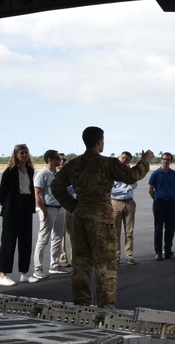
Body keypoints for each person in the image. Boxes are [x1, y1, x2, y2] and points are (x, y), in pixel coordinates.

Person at [51, 126, 153, 307]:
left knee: (81, 263)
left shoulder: (75, 164)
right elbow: (131, 176)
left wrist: (74, 206)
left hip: (80, 217)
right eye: (103, 140)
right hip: (102, 219)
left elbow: (56, 186)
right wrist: (144, 161)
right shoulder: (107, 163)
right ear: (99, 141)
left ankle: (81, 305)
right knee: (105, 265)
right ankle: (106, 309)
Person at [0, 144, 37, 287]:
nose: (24, 155)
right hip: (12, 209)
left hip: (26, 207)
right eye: (21, 153)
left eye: (26, 152)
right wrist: (9, 206)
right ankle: (3, 274)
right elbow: (2, 193)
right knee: (8, 242)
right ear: (15, 155)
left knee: (26, 241)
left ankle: (24, 273)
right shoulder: (9, 172)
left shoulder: (30, 171)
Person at [33, 149, 66, 279]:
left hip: (59, 208)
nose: (60, 161)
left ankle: (55, 265)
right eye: (57, 158)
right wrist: (44, 210)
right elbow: (37, 194)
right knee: (43, 239)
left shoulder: (58, 174)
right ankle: (38, 268)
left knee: (58, 238)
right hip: (48, 208)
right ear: (50, 160)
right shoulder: (42, 174)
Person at [148, 152, 175, 260]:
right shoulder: (156, 173)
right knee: (158, 229)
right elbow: (150, 190)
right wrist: (157, 198)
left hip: (171, 203)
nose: (166, 161)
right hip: (159, 203)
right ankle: (158, 252)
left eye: (168, 159)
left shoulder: (173, 174)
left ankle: (168, 251)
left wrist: (170, 197)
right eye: (164, 159)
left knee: (170, 228)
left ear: (171, 161)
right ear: (161, 160)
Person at [111, 151, 139, 265]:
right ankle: (116, 255)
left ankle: (129, 255)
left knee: (129, 232)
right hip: (115, 203)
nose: (125, 160)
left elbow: (134, 184)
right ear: (119, 158)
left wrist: (130, 187)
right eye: (123, 158)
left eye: (127, 159)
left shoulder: (131, 172)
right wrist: (125, 189)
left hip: (129, 203)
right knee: (115, 232)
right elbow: (111, 190)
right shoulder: (112, 172)